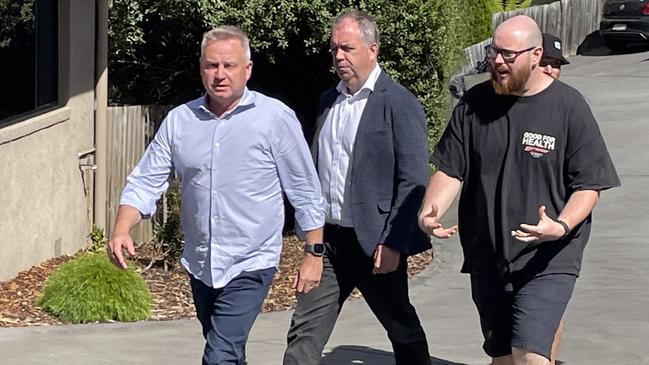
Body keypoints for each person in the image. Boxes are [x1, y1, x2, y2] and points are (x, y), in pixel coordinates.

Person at [107, 26, 325, 365]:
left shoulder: (274, 119)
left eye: (229, 66)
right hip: (201, 263)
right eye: (212, 66)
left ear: (247, 69)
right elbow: (146, 181)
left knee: (219, 355)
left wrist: (313, 252)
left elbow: (305, 190)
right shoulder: (181, 121)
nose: (220, 75)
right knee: (228, 352)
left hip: (251, 262)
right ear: (201, 69)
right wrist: (123, 227)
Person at [418, 15, 620, 365]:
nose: (497, 61)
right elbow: (451, 169)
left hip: (549, 257)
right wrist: (430, 209)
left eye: (508, 55)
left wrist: (560, 226)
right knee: (502, 358)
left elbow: (589, 184)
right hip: (489, 255)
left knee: (530, 354)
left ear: (536, 54)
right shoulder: (474, 103)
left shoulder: (569, 107)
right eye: (494, 52)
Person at [283, 10, 432, 365]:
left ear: (372, 49)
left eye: (347, 48)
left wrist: (395, 241)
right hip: (329, 244)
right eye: (334, 49)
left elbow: (413, 179)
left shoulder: (398, 103)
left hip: (375, 244)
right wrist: (310, 243)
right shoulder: (326, 103)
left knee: (402, 329)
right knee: (303, 334)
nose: (338, 57)